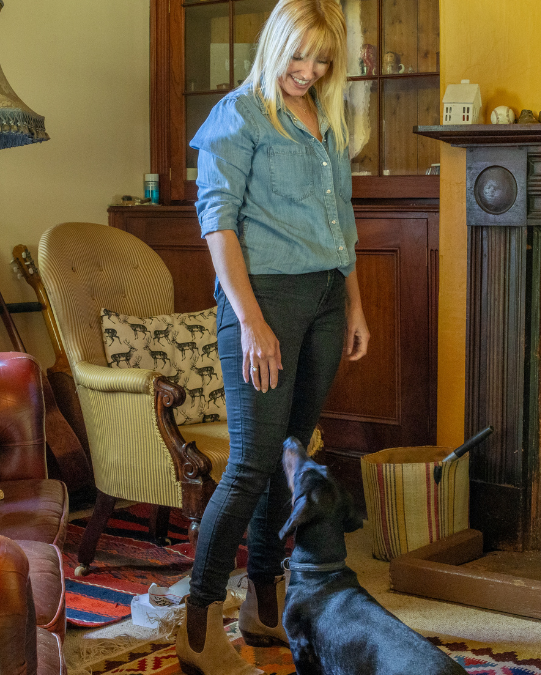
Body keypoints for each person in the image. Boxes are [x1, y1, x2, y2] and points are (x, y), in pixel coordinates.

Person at [177, 2, 369, 673]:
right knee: (251, 465)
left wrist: (354, 306)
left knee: (290, 452)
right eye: (297, 55)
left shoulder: (328, 117)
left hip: (324, 298)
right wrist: (252, 321)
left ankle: (263, 605)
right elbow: (218, 223)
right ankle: (197, 625)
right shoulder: (238, 114)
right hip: (262, 301)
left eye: (322, 59)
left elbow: (341, 220)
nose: (307, 71)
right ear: (274, 45)